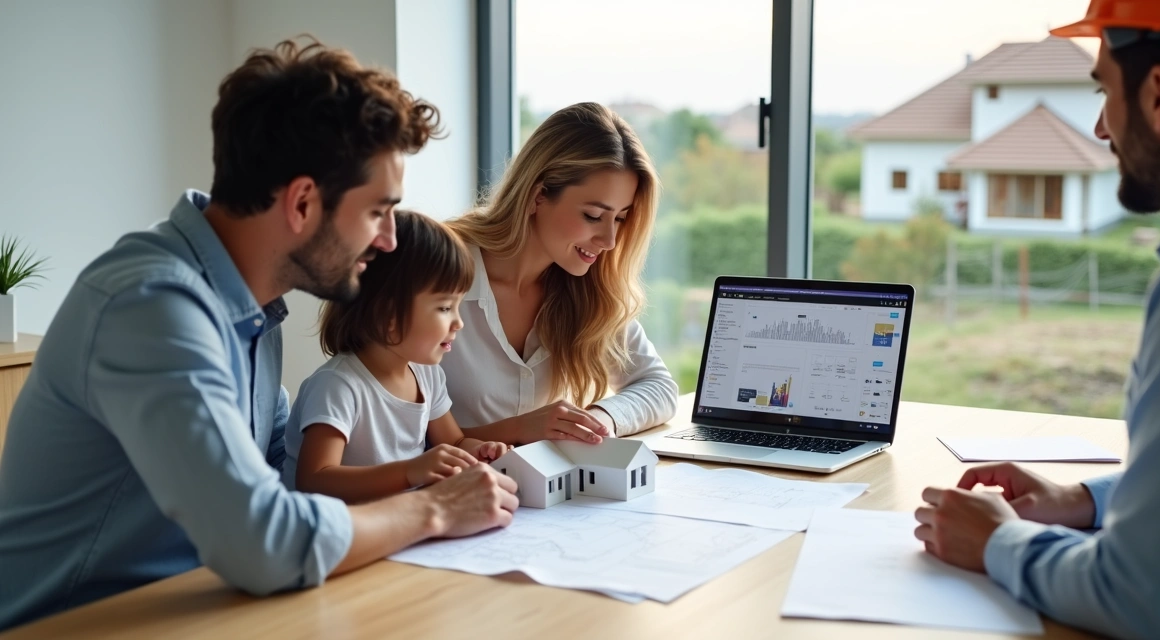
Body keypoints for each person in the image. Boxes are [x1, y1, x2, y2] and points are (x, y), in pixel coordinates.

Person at [0, 39, 517, 631]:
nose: (388, 241)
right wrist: (430, 510)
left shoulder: (251, 310)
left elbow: (283, 487)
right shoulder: (152, 308)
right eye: (378, 211)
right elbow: (264, 540)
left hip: (206, 609)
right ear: (301, 202)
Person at [913, 2, 1160, 638]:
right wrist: (1083, 501)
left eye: (1105, 90)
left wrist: (998, 540)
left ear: (1159, 93)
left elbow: (1141, 598)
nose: (1103, 128)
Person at [443, 102, 679, 445]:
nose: (610, 240)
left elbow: (658, 386)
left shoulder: (590, 289)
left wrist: (598, 419)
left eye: (621, 218)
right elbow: (393, 438)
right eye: (594, 215)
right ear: (539, 196)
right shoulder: (436, 269)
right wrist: (524, 429)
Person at [285, 210, 510, 503]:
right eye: (444, 308)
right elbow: (313, 479)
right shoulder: (338, 385)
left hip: (397, 523)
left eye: (458, 306)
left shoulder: (426, 375)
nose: (459, 323)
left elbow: (454, 440)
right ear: (389, 315)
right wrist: (411, 471)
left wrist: (478, 450)